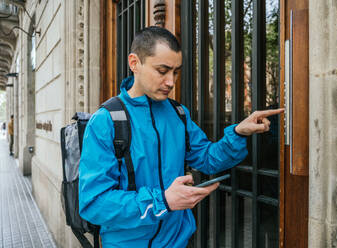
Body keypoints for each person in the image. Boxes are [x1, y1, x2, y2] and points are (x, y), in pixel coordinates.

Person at [79, 26, 284, 248]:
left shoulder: (178, 113)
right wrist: (163, 201)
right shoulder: (105, 121)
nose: (171, 81)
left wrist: (237, 133)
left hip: (178, 242)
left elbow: (208, 158)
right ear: (134, 63)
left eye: (175, 72)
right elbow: (94, 203)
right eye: (162, 70)